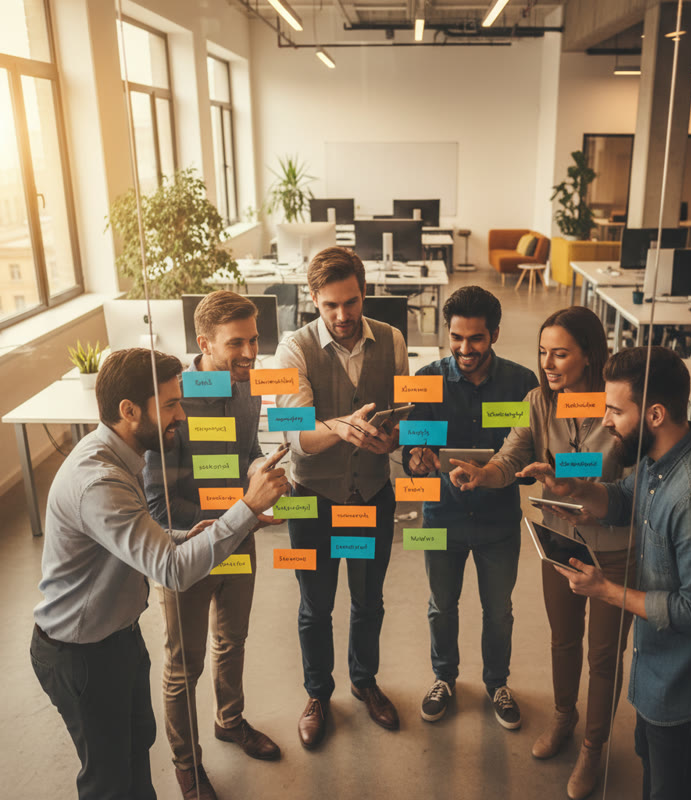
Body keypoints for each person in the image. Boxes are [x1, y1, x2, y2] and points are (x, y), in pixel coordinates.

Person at [30, 347, 290, 800]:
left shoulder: (118, 458)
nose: (182, 416)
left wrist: (186, 532)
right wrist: (246, 508)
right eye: (170, 405)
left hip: (118, 638)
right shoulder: (99, 480)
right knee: (109, 782)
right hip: (82, 655)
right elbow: (170, 572)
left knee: (135, 758)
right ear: (129, 411)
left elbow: (132, 534)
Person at [528, 346, 691, 800]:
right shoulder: (658, 461)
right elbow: (621, 499)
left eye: (615, 410)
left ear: (654, 413)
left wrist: (607, 591)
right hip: (659, 673)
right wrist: (572, 489)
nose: (607, 421)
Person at [451, 306, 633, 800]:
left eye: (560, 354)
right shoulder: (538, 401)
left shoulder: (618, 404)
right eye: (542, 353)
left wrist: (596, 504)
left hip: (613, 548)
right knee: (563, 639)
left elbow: (637, 482)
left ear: (590, 355)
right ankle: (563, 718)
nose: (547, 364)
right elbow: (513, 452)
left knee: (604, 654)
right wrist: (485, 473)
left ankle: (594, 747)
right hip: (558, 540)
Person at [143, 292, 282, 800]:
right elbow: (157, 501)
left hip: (239, 539)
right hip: (189, 547)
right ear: (203, 344)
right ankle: (187, 764)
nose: (250, 352)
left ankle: (230, 721)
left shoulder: (249, 388)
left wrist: (259, 478)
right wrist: (221, 522)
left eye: (254, 339)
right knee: (184, 667)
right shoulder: (171, 401)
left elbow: (248, 450)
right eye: (236, 343)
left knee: (232, 640)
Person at [275, 246, 409, 748]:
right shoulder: (292, 349)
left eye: (350, 302)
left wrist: (390, 440)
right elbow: (298, 437)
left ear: (364, 291)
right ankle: (317, 693)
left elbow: (402, 419)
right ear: (313, 299)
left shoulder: (393, 340)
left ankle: (365, 682)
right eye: (330, 305)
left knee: (369, 600)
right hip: (309, 499)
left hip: (372, 495)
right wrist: (344, 428)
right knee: (315, 606)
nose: (342, 315)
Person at [402, 285, 538, 729]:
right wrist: (417, 463)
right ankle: (444, 677)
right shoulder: (424, 381)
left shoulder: (523, 385)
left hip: (499, 521)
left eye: (475, 338)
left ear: (494, 334)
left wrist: (525, 471)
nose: (464, 348)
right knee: (442, 605)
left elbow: (530, 456)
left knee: (498, 609)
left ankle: (497, 682)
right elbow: (412, 458)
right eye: (456, 338)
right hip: (441, 518)